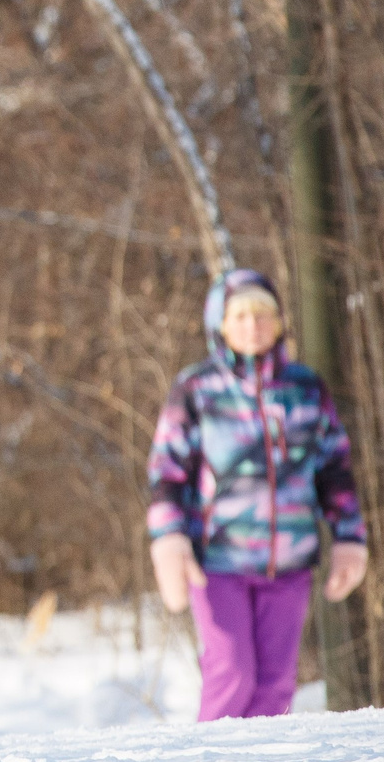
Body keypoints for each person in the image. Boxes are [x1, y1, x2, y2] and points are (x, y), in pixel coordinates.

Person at [145, 269, 369, 722]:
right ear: (220, 324)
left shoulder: (306, 388)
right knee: (233, 672)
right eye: (241, 315)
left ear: (279, 321)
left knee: (276, 685)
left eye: (263, 313)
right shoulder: (197, 389)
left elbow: (334, 469)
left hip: (289, 563)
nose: (253, 325)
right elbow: (167, 471)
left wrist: (349, 539)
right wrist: (168, 539)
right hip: (217, 563)